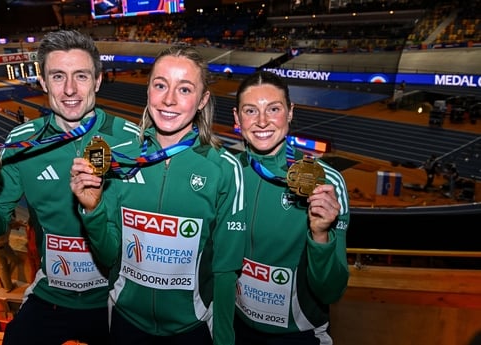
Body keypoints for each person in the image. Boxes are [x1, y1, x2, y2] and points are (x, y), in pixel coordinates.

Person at [0, 29, 140, 345]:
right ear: (42, 83)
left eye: (81, 76)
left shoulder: (133, 139)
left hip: (118, 298)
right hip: (53, 297)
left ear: (97, 81)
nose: (70, 89)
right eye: (58, 76)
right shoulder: (20, 144)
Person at [71, 45, 246, 345]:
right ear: (149, 90)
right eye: (160, 85)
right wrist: (93, 209)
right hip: (126, 324)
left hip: (192, 329)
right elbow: (109, 255)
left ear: (203, 100)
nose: (168, 100)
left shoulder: (225, 169)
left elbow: (226, 272)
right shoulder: (120, 160)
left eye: (185, 89)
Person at [231, 71, 350, 345]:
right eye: (251, 111)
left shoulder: (326, 182)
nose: (262, 121)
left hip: (299, 335)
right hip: (235, 328)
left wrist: (320, 235)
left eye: (273, 109)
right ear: (237, 118)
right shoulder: (227, 171)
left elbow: (331, 291)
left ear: (290, 112)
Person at [0, 216, 23, 292]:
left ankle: (7, 284)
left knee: (3, 266)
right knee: (16, 260)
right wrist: (22, 223)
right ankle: (5, 278)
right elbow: (16, 224)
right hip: (3, 245)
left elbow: (14, 225)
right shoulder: (7, 217)